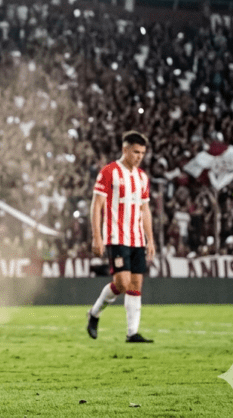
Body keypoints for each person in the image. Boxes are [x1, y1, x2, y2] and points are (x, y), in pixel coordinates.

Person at [86, 131, 156, 343]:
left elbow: (145, 210)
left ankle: (132, 333)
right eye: (135, 152)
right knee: (123, 283)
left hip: (137, 238)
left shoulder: (142, 177)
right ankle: (94, 313)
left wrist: (150, 239)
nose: (139, 156)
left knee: (135, 284)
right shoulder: (109, 172)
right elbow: (96, 205)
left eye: (142, 153)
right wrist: (97, 237)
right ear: (125, 149)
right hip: (116, 236)